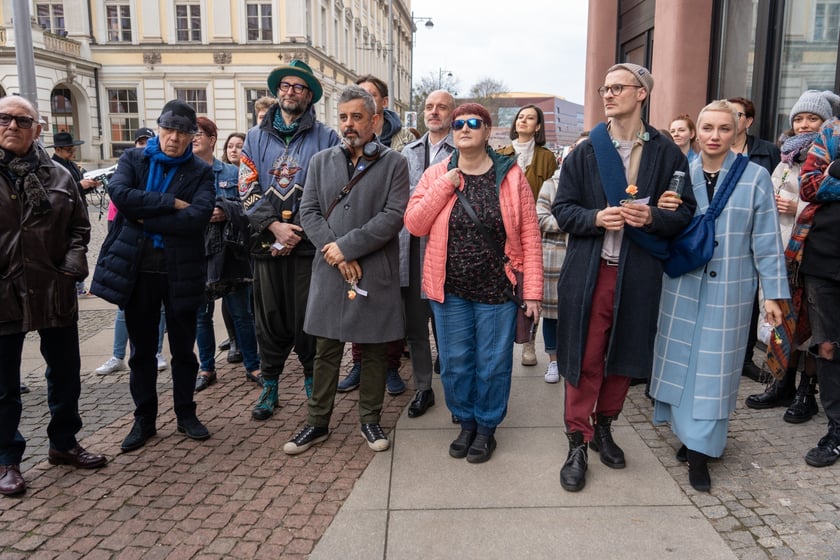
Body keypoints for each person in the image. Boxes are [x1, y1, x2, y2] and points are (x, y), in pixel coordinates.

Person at [552, 63, 695, 492]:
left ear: (641, 94)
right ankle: (577, 440)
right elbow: (562, 210)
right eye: (605, 88)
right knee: (585, 357)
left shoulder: (667, 153)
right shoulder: (585, 152)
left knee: (624, 356)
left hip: (638, 274)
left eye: (617, 87)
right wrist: (597, 216)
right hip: (591, 273)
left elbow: (683, 214)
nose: (608, 95)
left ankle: (606, 427)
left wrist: (653, 215)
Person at [652, 100, 787, 491]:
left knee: (715, 369)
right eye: (707, 128)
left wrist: (773, 295)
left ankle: (700, 453)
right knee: (683, 362)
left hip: (731, 285)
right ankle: (689, 436)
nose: (714, 136)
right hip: (682, 282)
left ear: (739, 129)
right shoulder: (679, 172)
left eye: (724, 129)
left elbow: (765, 240)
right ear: (697, 131)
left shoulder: (756, 176)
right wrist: (662, 211)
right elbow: (663, 225)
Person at [405, 102, 543, 464]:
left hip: (497, 291)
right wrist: (444, 188)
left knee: (493, 363)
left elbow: (530, 235)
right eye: (458, 124)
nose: (464, 128)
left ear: (487, 131)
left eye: (473, 123)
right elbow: (415, 224)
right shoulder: (437, 174)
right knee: (454, 362)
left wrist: (532, 292)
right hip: (449, 291)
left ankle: (486, 427)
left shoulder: (511, 175)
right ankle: (465, 421)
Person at [283, 85, 409, 455]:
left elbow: (393, 216)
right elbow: (308, 212)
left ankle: (370, 420)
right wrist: (337, 252)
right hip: (330, 268)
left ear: (374, 120)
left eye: (356, 116)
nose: (349, 124)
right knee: (326, 350)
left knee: (372, 350)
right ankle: (316, 422)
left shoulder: (395, 163)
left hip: (374, 269)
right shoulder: (321, 161)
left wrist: (348, 247)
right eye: (343, 117)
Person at [90, 99, 215, 452]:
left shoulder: (201, 171)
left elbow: (199, 217)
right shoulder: (134, 160)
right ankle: (144, 419)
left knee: (184, 352)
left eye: (182, 132)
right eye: (168, 129)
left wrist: (145, 215)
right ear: (158, 129)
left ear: (193, 137)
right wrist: (172, 204)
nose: (173, 138)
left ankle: (186, 413)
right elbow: (120, 195)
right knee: (141, 352)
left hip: (181, 272)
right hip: (138, 272)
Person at [0, 96, 107, 496]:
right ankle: (6, 458)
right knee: (4, 384)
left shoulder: (58, 175)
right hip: (4, 291)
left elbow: (80, 228)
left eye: (22, 120)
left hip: (53, 287)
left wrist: (72, 267)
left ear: (37, 129)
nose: (12, 126)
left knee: (64, 375)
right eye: (4, 118)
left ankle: (64, 443)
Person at [239, 60, 340, 420]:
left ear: (309, 95)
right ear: (277, 91)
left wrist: (299, 228)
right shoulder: (254, 137)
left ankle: (313, 382)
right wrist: (273, 227)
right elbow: (246, 187)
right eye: (285, 86)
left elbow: (334, 189)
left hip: (308, 246)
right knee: (268, 317)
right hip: (266, 244)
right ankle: (270, 385)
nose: (291, 92)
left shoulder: (327, 137)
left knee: (307, 318)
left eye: (299, 87)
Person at [745, 91, 840, 421]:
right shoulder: (785, 157)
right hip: (780, 252)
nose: (804, 125)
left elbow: (819, 199)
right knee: (782, 320)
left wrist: (796, 206)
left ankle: (805, 391)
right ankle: (781, 383)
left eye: (812, 119)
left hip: (810, 252)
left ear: (824, 121)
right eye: (799, 118)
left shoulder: (827, 152)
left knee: (810, 328)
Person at [338, 74, 415, 397]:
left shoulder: (403, 140)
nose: (360, 100)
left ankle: (391, 365)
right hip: (352, 241)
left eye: (368, 96)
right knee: (358, 301)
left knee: (389, 306)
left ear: (380, 103)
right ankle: (359, 363)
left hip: (390, 238)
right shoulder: (345, 139)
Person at [396, 89, 457, 417]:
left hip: (446, 250)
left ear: (452, 113)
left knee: (446, 324)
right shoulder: (407, 152)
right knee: (416, 326)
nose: (434, 112)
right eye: (430, 107)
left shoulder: (460, 150)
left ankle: (454, 386)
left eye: (442, 107)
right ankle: (423, 388)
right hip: (410, 248)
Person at [191, 117, 260, 391]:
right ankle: (207, 368)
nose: (194, 138)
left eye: (199, 133)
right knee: (201, 316)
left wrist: (226, 209)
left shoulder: (232, 174)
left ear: (211, 139)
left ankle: (253, 365)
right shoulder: (184, 173)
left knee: (242, 313)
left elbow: (251, 207)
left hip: (232, 254)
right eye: (191, 134)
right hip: (197, 253)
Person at [95, 127, 168, 376]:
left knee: (157, 309)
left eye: (148, 142)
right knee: (123, 307)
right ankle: (117, 355)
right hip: (126, 244)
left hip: (155, 252)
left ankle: (156, 351)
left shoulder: (159, 169)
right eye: (140, 142)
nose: (143, 146)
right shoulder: (128, 167)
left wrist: (146, 209)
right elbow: (122, 206)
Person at [727, 96, 783, 382]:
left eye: (735, 115)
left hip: (756, 232)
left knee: (750, 300)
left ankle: (746, 358)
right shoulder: (715, 148)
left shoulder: (767, 151)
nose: (729, 120)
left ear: (748, 121)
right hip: (727, 234)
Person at [497, 105, 557, 367]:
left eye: (530, 118)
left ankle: (530, 343)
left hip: (535, 231)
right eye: (521, 117)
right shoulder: (500, 153)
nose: (523, 120)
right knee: (506, 285)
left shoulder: (546, 158)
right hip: (506, 232)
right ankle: (503, 340)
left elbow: (554, 196)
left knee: (533, 288)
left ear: (538, 126)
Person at [796, 110, 840, 468]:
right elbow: (808, 185)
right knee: (826, 347)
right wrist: (828, 172)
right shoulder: (831, 131)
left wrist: (835, 172)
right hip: (824, 257)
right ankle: (836, 429)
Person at [537, 134, 588, 383]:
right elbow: (540, 216)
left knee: (583, 313)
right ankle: (554, 361)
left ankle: (577, 360)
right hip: (555, 256)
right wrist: (574, 222)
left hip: (586, 255)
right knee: (552, 314)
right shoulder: (551, 184)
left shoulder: (596, 186)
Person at [46, 131, 101, 295]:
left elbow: (78, 190)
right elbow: (56, 193)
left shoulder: (71, 165)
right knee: (68, 248)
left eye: (73, 149)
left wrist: (91, 185)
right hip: (63, 217)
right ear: (58, 149)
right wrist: (80, 186)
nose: (73, 152)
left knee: (79, 246)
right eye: (69, 150)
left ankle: (78, 286)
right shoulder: (52, 166)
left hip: (78, 214)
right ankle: (74, 287)